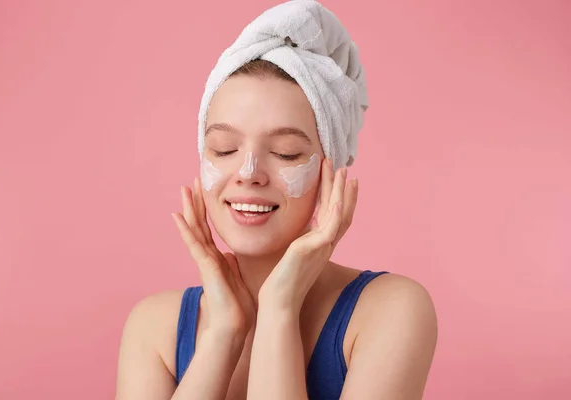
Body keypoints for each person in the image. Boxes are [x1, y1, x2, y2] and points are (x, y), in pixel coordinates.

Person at [115, 1, 437, 399]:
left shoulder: (390, 310)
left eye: (285, 153)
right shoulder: (155, 326)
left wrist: (279, 308)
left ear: (329, 171)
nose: (249, 171)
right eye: (224, 148)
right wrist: (224, 333)